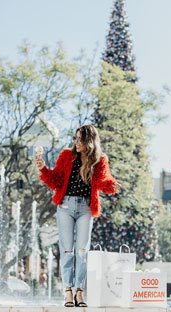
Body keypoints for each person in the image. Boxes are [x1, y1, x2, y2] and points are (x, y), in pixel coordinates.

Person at [35, 124, 119, 307]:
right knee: (67, 250)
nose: (76, 142)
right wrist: (43, 168)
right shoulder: (67, 155)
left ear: (89, 140)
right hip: (65, 206)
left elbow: (105, 181)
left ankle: (79, 292)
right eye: (75, 138)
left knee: (82, 251)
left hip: (86, 209)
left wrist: (112, 184)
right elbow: (55, 180)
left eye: (80, 139)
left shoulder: (100, 160)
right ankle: (68, 292)